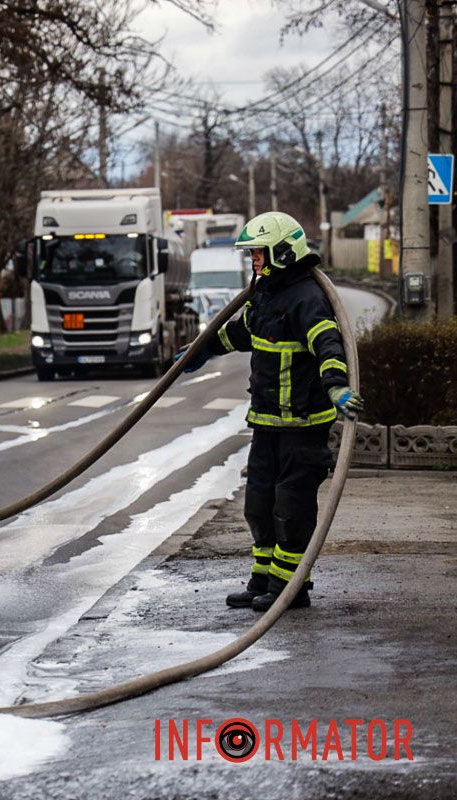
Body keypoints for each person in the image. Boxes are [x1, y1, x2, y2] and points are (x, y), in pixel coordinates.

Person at [176, 211, 363, 612]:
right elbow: (239, 331)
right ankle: (263, 578)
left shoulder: (307, 298)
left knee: (291, 506)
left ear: (281, 252)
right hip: (266, 424)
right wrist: (202, 349)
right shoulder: (266, 295)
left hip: (302, 427)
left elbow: (328, 344)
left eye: (258, 253)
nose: (253, 261)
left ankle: (290, 588)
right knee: (258, 504)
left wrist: (338, 388)